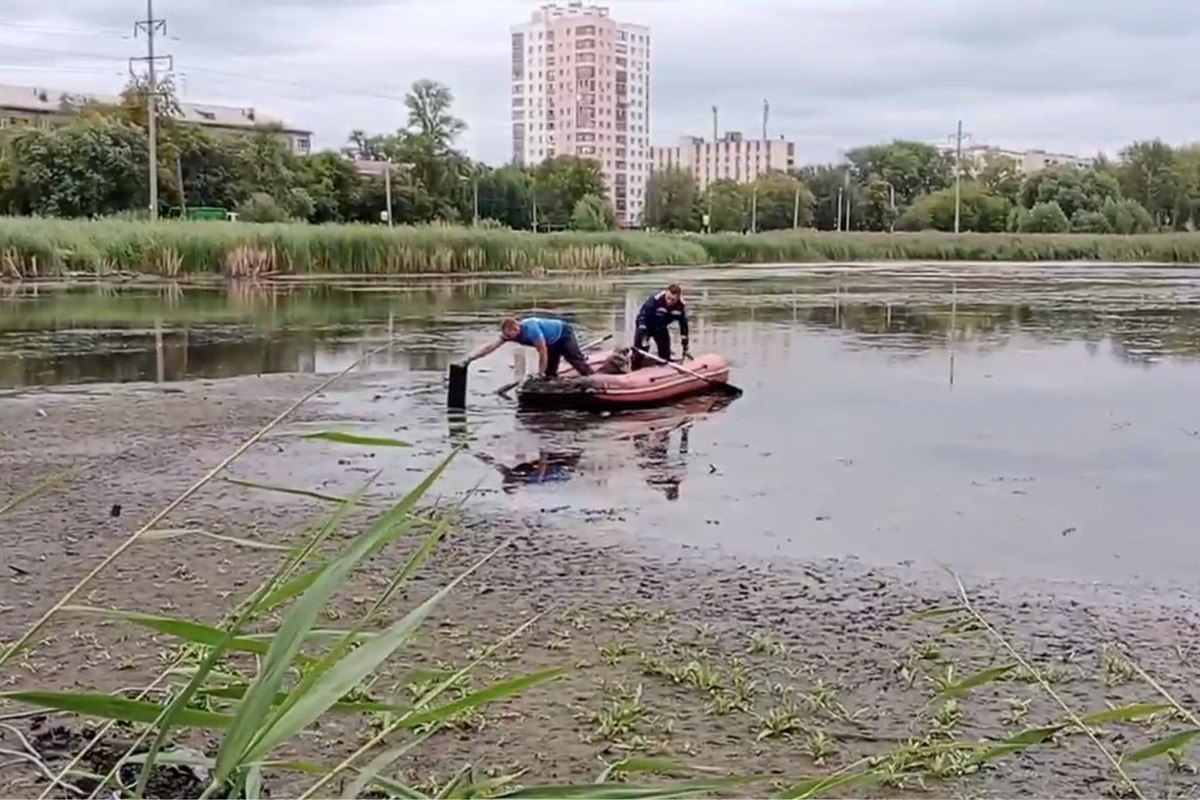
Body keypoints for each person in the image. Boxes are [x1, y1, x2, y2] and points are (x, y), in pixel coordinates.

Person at [460, 316, 594, 379]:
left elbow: (542, 351)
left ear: (516, 328)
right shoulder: (510, 334)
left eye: (510, 335)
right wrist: (470, 358)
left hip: (563, 333)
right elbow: (491, 347)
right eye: (506, 336)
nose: (509, 339)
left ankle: (593, 379)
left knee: (576, 361)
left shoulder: (532, 330)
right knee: (550, 373)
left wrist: (539, 373)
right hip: (550, 342)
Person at [631, 283, 690, 370]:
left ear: (678, 298)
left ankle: (662, 370)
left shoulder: (680, 307)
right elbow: (642, 317)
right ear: (666, 293)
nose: (669, 302)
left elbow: (683, 326)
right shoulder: (655, 301)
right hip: (645, 326)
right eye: (668, 298)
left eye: (673, 300)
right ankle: (635, 367)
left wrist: (685, 343)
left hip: (660, 328)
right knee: (640, 351)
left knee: (665, 355)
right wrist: (644, 337)